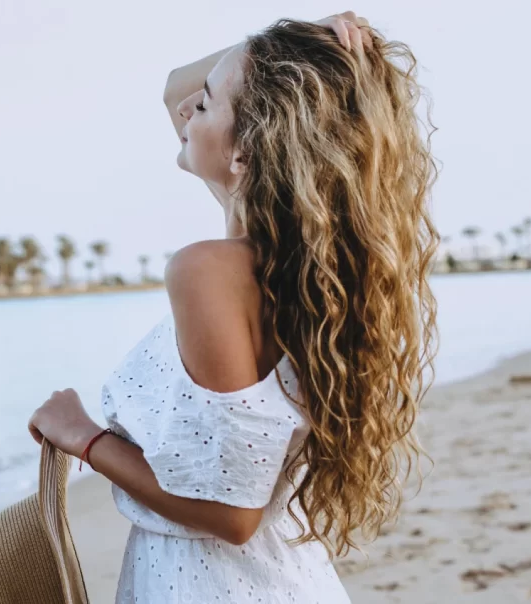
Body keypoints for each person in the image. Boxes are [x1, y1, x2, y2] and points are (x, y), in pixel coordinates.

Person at [29, 11, 438, 602]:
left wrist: (82, 435)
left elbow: (232, 515)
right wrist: (300, 40)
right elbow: (176, 88)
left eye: (207, 104)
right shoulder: (298, 267)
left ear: (246, 151)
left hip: (214, 583)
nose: (187, 110)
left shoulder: (209, 270)